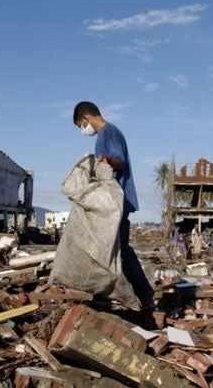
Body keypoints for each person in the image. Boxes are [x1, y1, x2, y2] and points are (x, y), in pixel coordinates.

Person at [73, 101, 155, 309]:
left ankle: (142, 295)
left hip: (117, 202)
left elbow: (119, 162)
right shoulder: (104, 136)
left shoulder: (110, 133)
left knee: (119, 251)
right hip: (110, 203)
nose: (84, 130)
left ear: (86, 118)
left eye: (81, 126)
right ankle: (115, 295)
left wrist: (103, 160)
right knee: (112, 250)